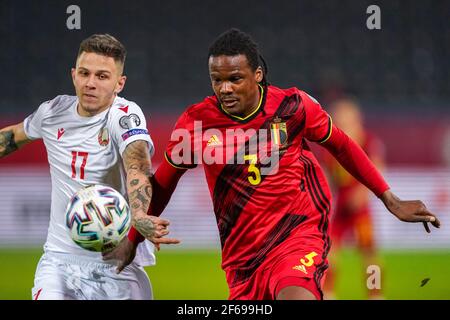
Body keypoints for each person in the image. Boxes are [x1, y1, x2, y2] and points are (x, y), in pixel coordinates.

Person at [128, 28, 440, 300]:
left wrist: (390, 198)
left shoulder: (292, 106)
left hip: (297, 234)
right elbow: (165, 183)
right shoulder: (196, 123)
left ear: (257, 75)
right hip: (242, 257)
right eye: (217, 80)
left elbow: (342, 144)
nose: (225, 89)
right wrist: (133, 238)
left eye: (235, 79)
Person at [0, 34, 178, 300]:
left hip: (115, 262)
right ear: (74, 75)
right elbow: (12, 137)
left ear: (120, 83)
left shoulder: (124, 116)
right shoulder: (53, 112)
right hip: (58, 261)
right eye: (84, 73)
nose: (90, 83)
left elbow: (137, 164)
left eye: (102, 76)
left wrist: (140, 215)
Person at [321, 97, 386, 299]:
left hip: (360, 208)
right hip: (340, 207)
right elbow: (329, 178)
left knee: (369, 254)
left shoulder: (368, 141)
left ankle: (375, 294)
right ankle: (328, 292)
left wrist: (363, 194)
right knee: (329, 252)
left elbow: (377, 168)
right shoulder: (332, 145)